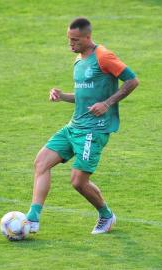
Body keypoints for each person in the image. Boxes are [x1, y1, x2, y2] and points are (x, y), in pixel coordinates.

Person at [26, 17, 139, 234]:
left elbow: (132, 81)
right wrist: (62, 96)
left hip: (94, 131)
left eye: (75, 40)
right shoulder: (78, 59)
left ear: (88, 37)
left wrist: (107, 103)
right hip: (74, 126)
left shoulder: (104, 56)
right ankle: (32, 219)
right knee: (41, 163)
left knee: (78, 182)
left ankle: (106, 216)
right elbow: (83, 96)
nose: (71, 44)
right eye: (69, 39)